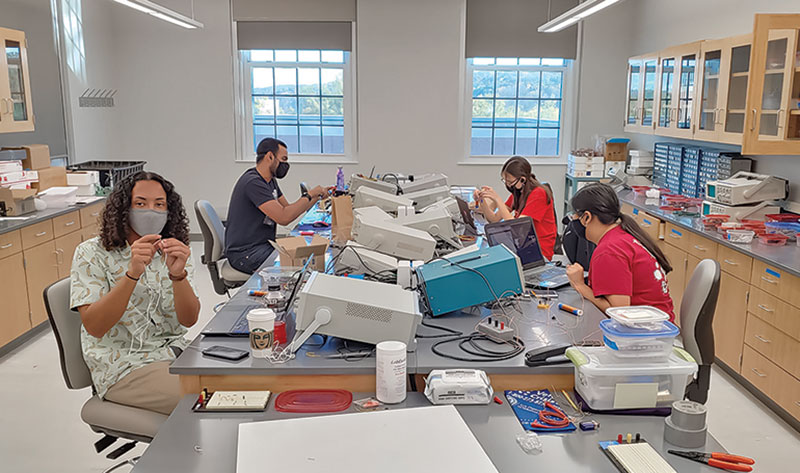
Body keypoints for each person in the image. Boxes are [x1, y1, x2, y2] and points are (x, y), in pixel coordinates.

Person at [70, 172, 200, 415]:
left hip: (174, 351)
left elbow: (188, 320)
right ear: (123, 209)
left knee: (240, 383)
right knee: (206, 400)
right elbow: (95, 326)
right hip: (125, 365)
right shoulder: (92, 253)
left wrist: (178, 276)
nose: (151, 211)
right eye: (140, 203)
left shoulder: (173, 250)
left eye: (159, 204)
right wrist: (132, 274)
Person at [565, 183, 675, 321]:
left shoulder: (609, 251)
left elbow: (619, 312)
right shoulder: (622, 235)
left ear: (586, 217)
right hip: (655, 324)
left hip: (647, 332)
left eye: (574, 216)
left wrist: (580, 286)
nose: (573, 221)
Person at [225, 138, 327, 274]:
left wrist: (317, 196)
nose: (285, 164)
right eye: (283, 159)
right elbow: (283, 217)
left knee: (305, 257)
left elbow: (289, 210)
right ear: (270, 156)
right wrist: (309, 194)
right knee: (298, 268)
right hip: (245, 254)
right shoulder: (253, 183)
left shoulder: (269, 181)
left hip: (263, 246)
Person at [473, 156, 558, 260]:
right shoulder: (518, 193)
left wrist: (497, 199)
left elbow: (516, 228)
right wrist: (482, 200)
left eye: (509, 181)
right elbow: (494, 219)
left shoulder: (539, 194)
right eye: (505, 181)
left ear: (522, 179)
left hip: (539, 250)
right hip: (523, 244)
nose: (508, 185)